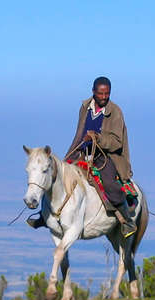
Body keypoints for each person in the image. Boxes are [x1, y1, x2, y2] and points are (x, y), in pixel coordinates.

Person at [28, 76, 137, 238]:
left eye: (107, 94)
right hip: (81, 151)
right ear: (93, 92)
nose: (104, 97)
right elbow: (79, 133)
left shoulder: (115, 112)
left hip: (105, 156)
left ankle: (127, 221)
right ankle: (44, 216)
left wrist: (97, 137)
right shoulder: (85, 107)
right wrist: (70, 154)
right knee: (54, 174)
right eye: (101, 94)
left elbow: (117, 142)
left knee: (109, 183)